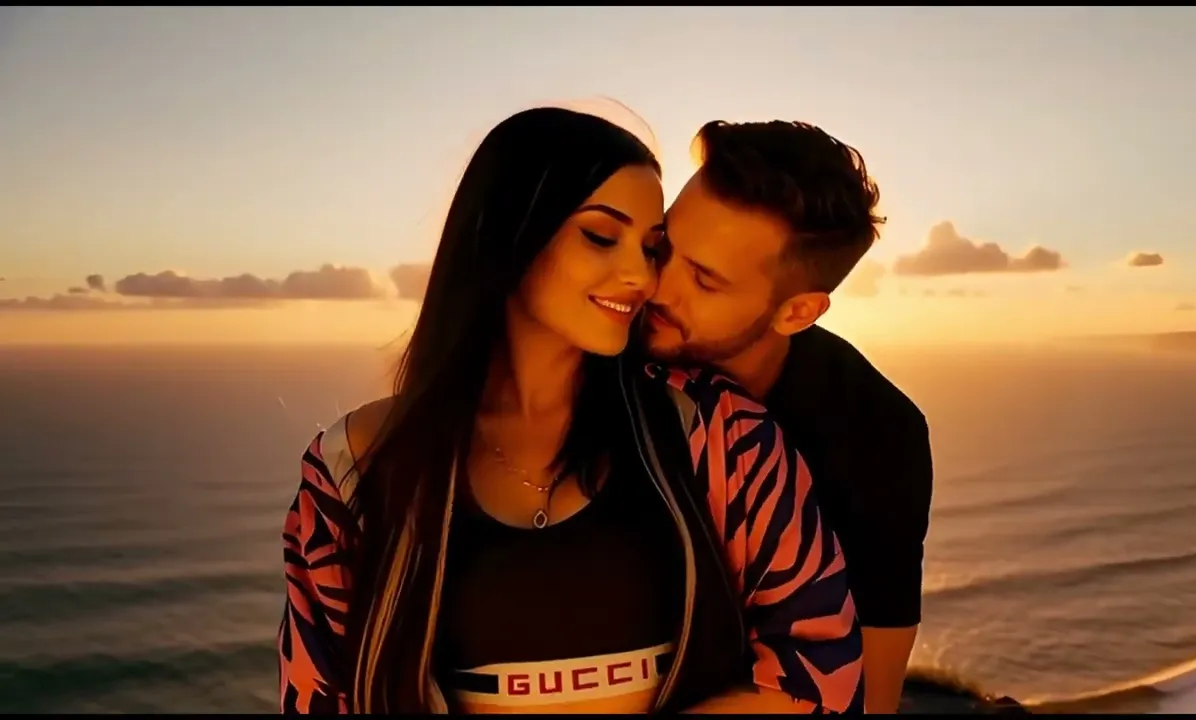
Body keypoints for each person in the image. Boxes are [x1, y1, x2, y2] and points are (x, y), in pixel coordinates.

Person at [276, 107, 865, 714]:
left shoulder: (717, 433)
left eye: (651, 248)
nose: (642, 278)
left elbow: (820, 677)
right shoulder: (353, 469)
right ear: (510, 230)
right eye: (601, 237)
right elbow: (316, 697)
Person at [643, 119, 934, 714]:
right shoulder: (608, 343)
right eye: (663, 247)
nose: (656, 286)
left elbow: (870, 692)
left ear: (797, 313)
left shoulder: (879, 435)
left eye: (704, 280)